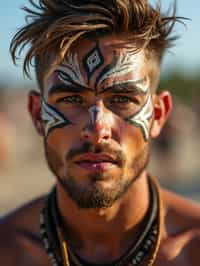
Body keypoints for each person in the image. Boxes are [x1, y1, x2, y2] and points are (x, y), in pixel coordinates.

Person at [1, 0, 200, 265]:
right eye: (72, 99)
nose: (97, 131)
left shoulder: (193, 247)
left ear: (159, 114)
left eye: (121, 99)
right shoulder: (7, 250)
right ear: (37, 114)